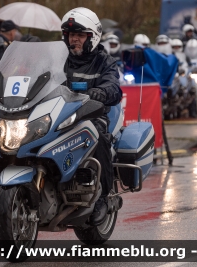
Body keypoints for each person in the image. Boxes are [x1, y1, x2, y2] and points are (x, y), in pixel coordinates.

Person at [61, 7, 122, 226]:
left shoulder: (104, 61)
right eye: (70, 35)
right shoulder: (60, 58)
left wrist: (102, 91)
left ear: (92, 36)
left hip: (91, 115)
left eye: (79, 35)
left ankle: (103, 198)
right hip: (59, 115)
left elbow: (114, 85)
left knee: (99, 137)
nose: (73, 39)